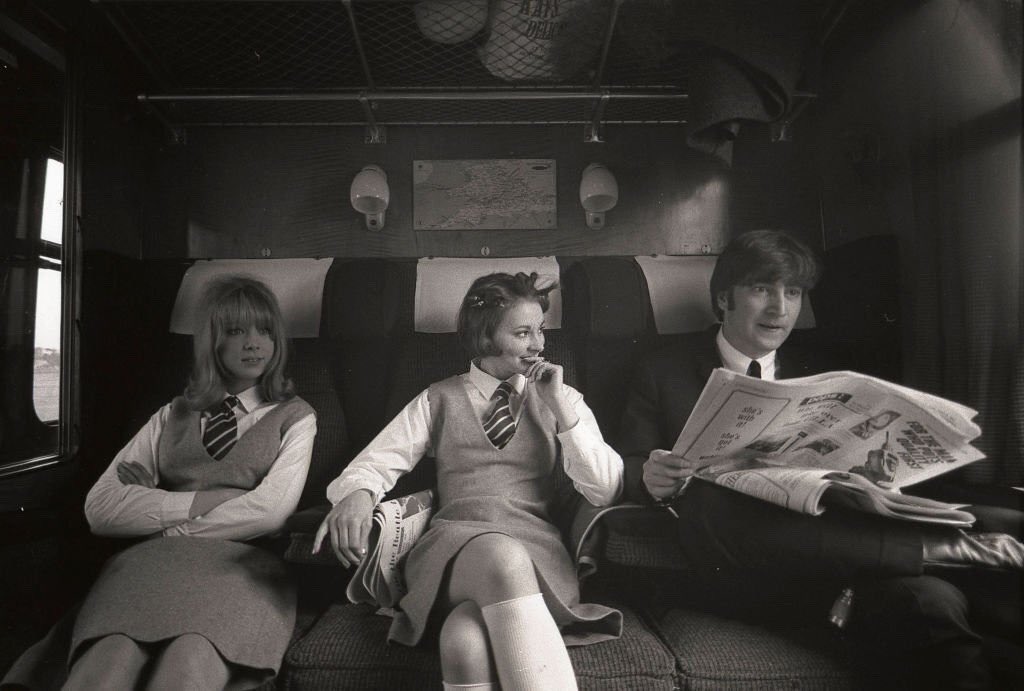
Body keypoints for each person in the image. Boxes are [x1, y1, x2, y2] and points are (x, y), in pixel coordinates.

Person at [618, 229, 1024, 689]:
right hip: (741, 558)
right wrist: (653, 477)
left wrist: (876, 480)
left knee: (932, 601)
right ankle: (948, 548)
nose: (779, 308)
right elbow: (631, 464)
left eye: (792, 292)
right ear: (724, 299)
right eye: (761, 289)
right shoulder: (662, 370)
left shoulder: (823, 369)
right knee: (711, 504)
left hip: (840, 556)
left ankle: (938, 555)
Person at [3, 276, 316, 690]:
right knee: (105, 662)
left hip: (240, 566)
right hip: (148, 564)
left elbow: (270, 512)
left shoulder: (296, 417)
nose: (254, 344)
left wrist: (160, 512)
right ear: (212, 341)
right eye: (237, 331)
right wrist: (211, 499)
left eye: (265, 331)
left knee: (187, 662)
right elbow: (101, 509)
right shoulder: (173, 413)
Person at [315, 272, 623, 691]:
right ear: (484, 337)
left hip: (536, 552)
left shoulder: (562, 399)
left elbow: (605, 490)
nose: (539, 345)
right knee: (498, 554)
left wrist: (559, 410)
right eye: (523, 332)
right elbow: (373, 463)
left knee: (464, 641)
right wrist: (356, 493)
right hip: (451, 549)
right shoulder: (437, 398)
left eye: (541, 330)